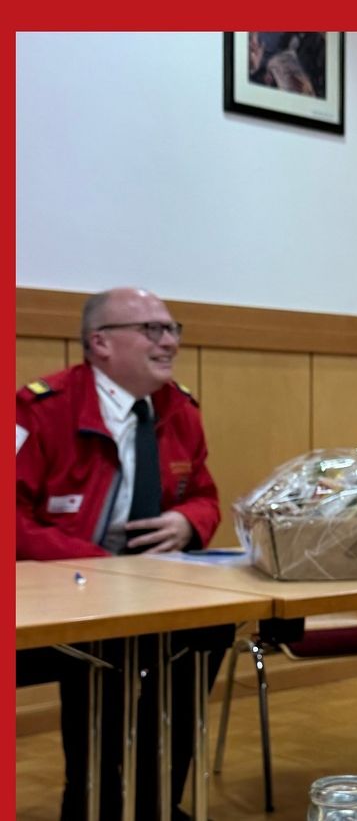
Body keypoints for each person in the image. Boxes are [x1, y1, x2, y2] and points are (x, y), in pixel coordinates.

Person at [16, 287, 233, 820]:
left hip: (150, 587)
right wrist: (95, 566)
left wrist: (188, 520)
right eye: (152, 330)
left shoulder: (180, 410)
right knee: (101, 648)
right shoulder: (40, 409)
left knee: (209, 627)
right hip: (62, 590)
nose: (170, 342)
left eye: (172, 329)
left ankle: (156, 800)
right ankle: (92, 801)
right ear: (101, 343)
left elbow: (204, 495)